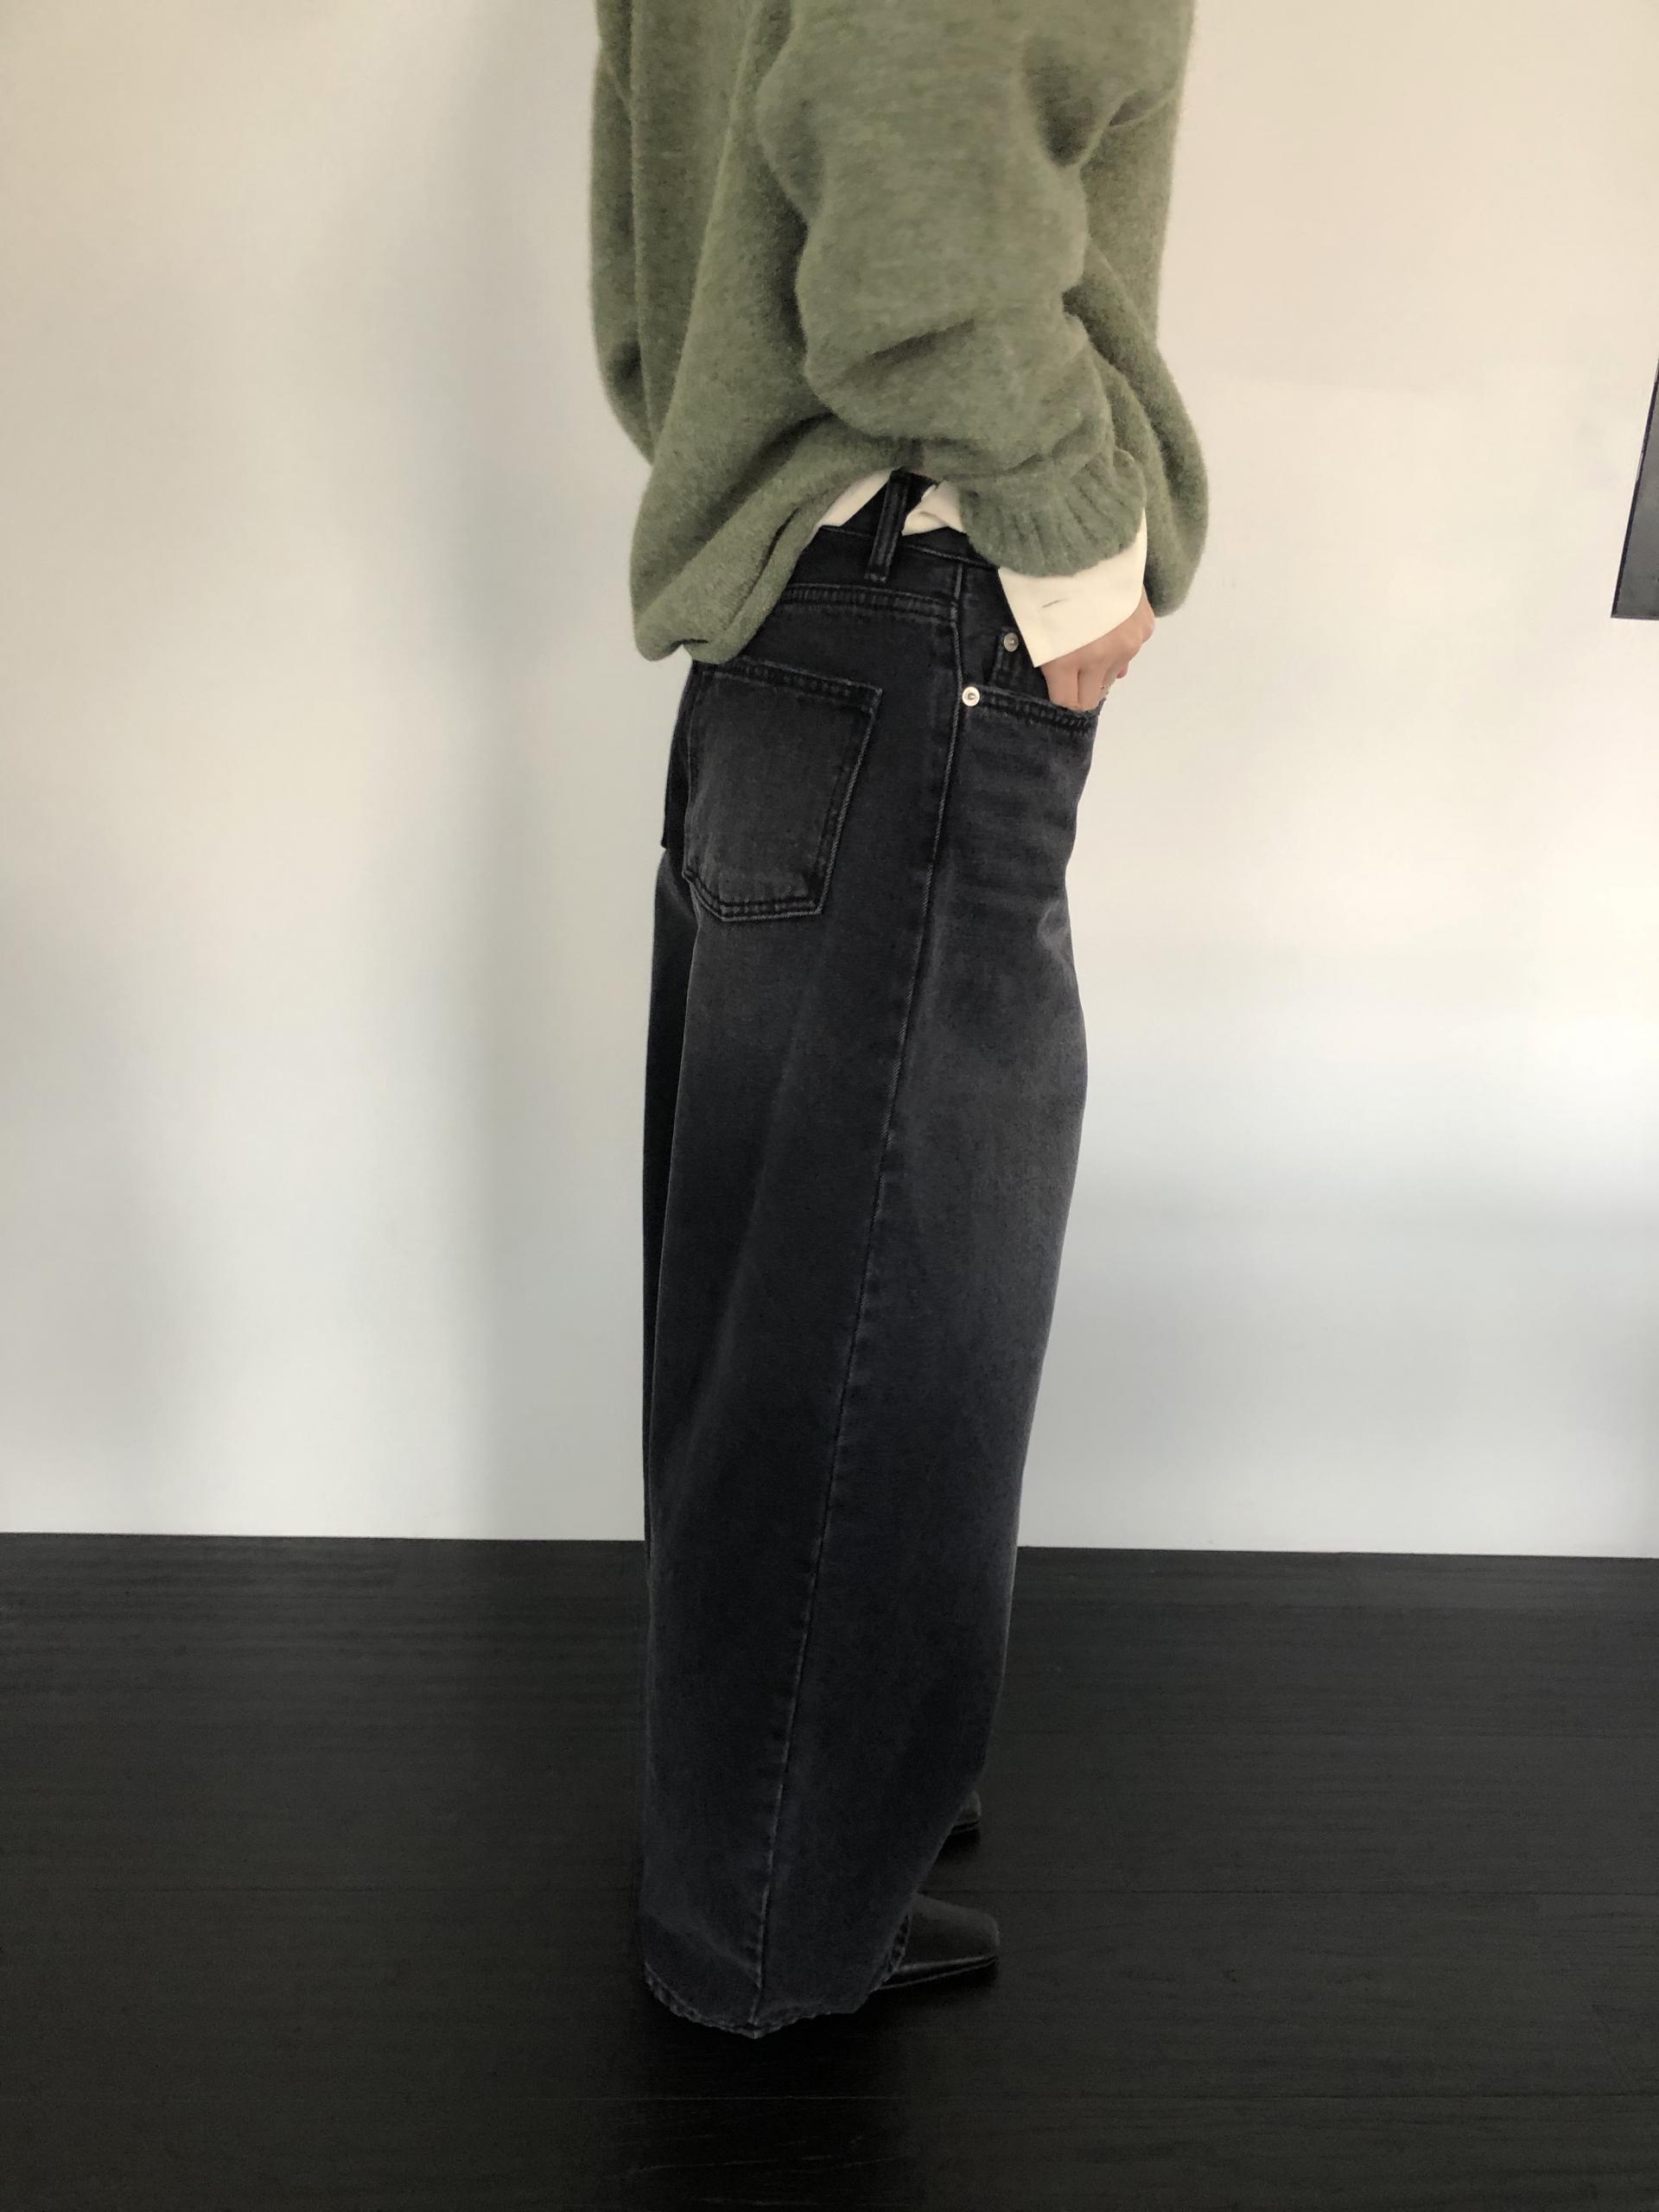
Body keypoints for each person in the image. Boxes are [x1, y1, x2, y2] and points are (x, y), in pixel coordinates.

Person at [588, 0, 1208, 2037]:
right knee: (889, 1297)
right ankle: (773, 1915)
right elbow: (908, 162)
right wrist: (1076, 535)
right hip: (921, 586)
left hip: (792, 606)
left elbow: (666, 244)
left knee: (786, 1288)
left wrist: (751, 462)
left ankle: (807, 1810)